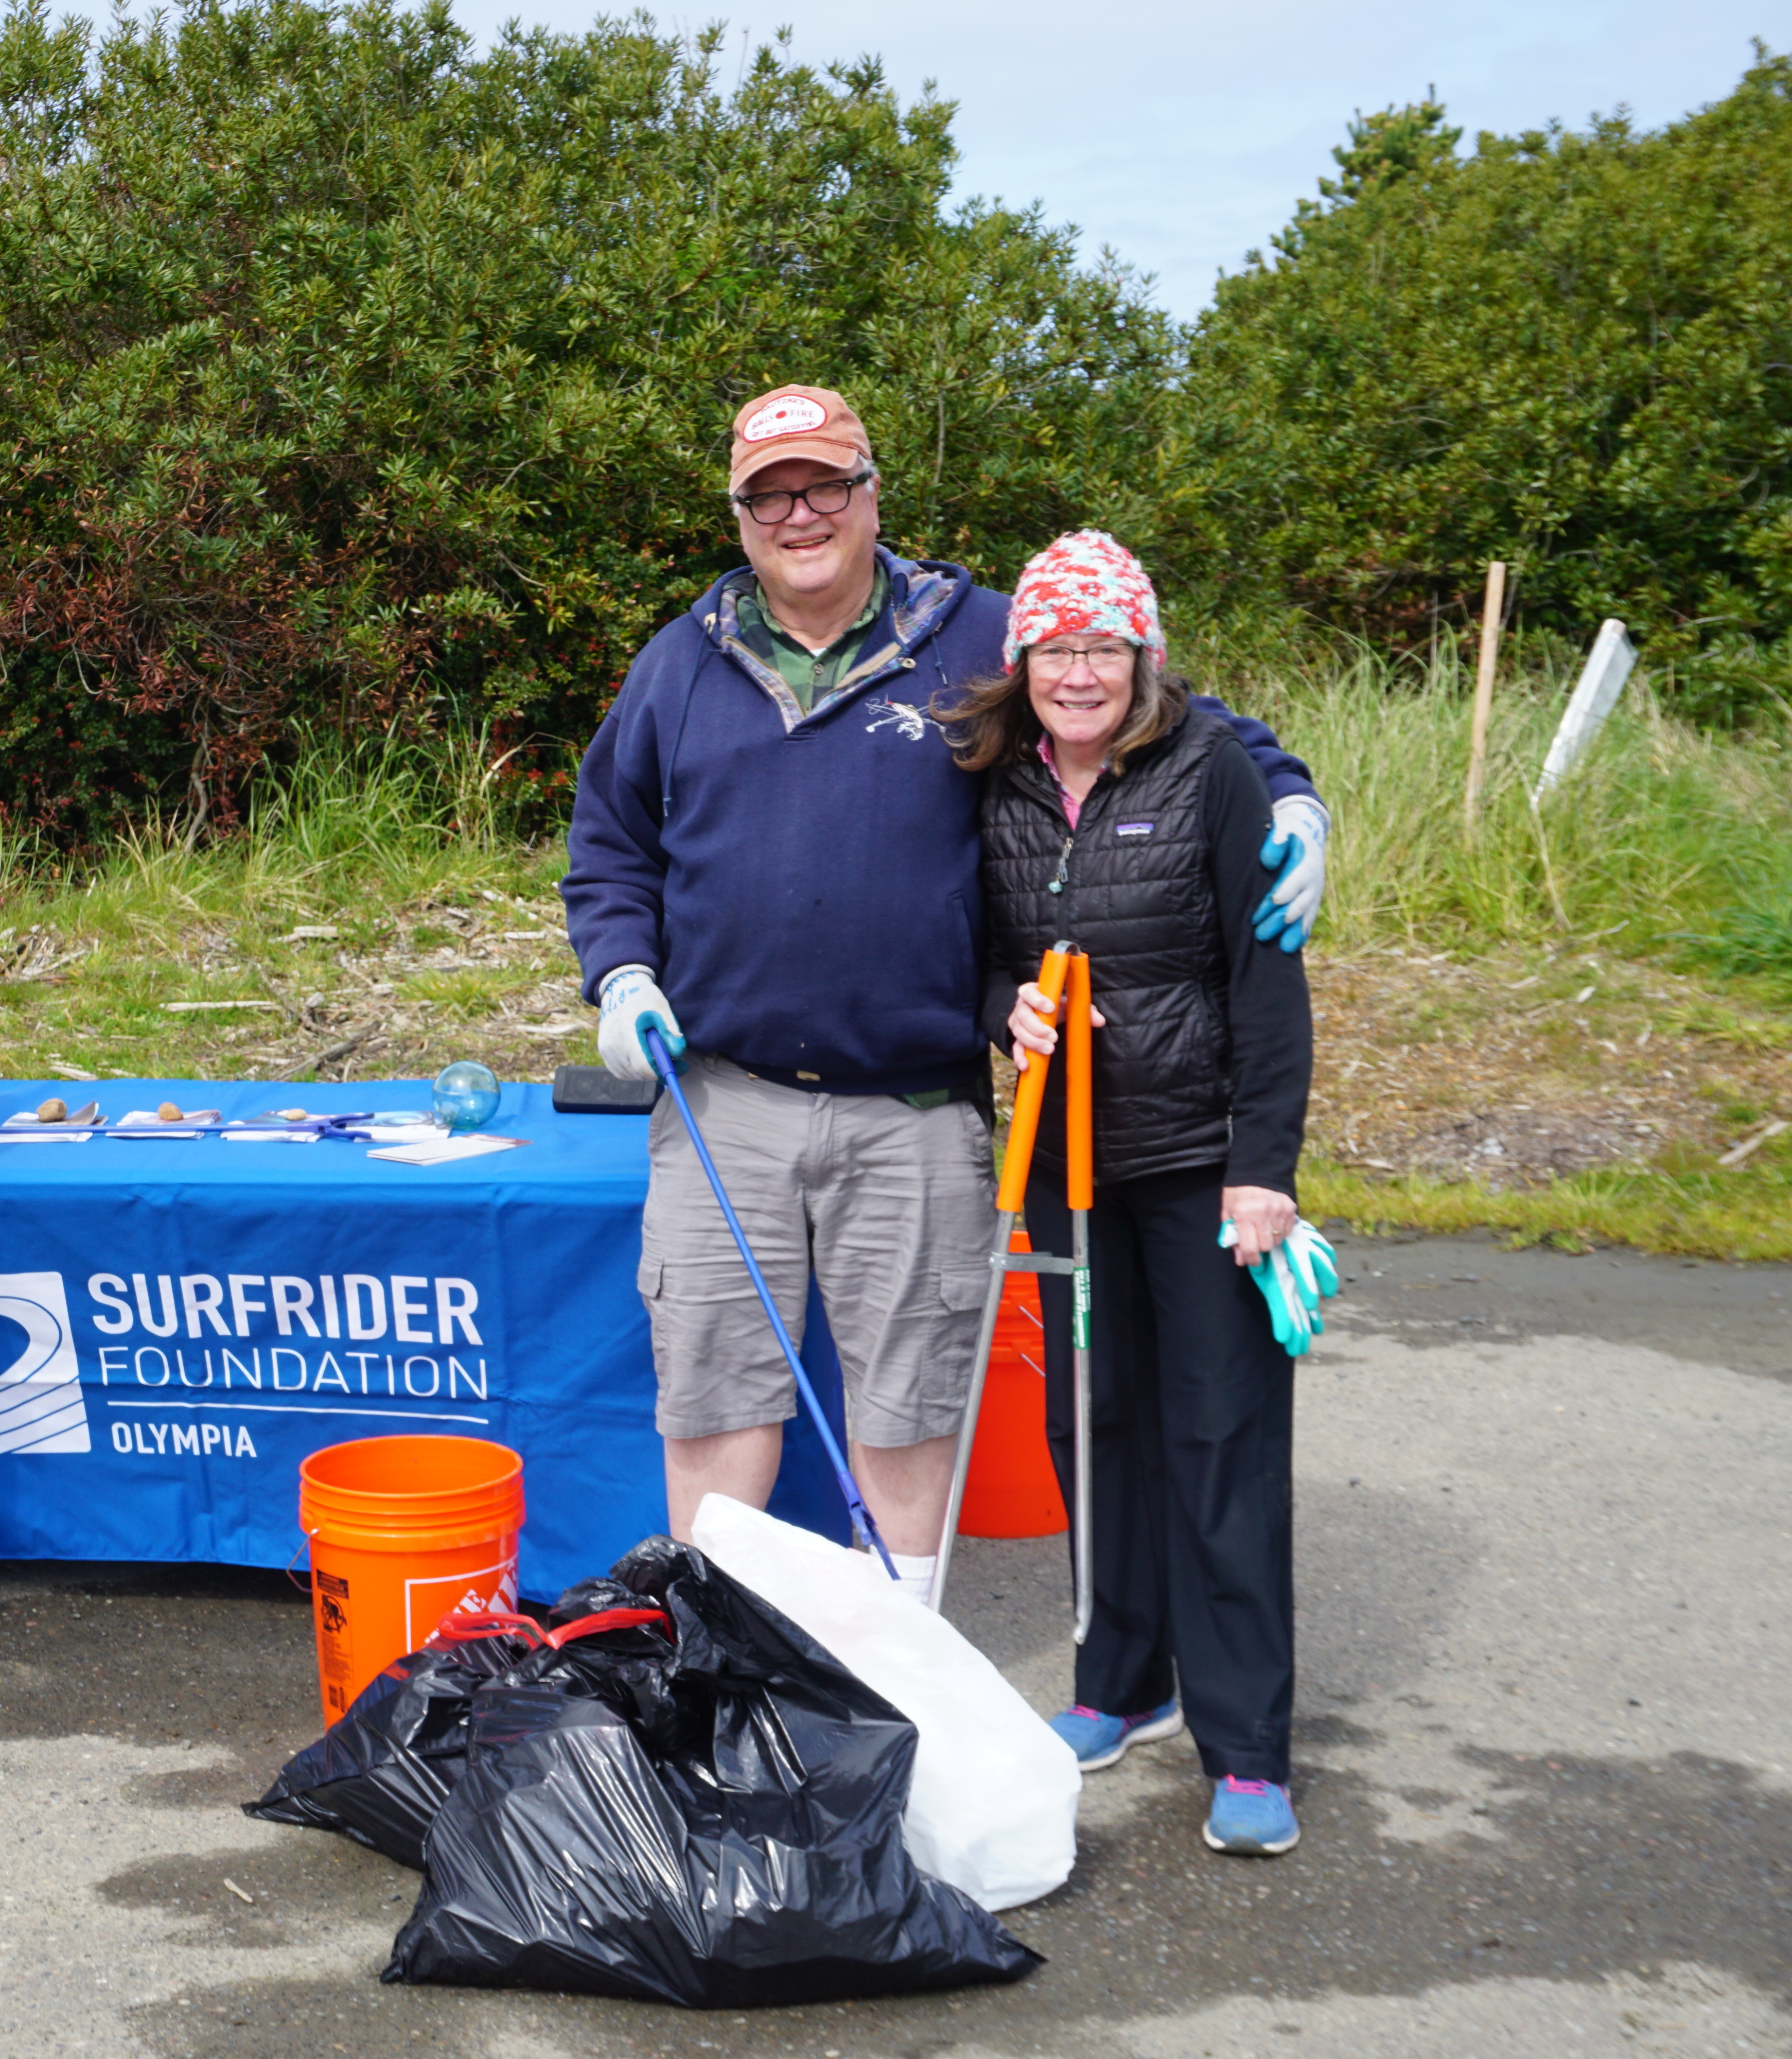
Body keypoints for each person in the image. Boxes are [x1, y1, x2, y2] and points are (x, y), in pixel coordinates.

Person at [561, 385, 1328, 1598]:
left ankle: (900, 1655)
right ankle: (715, 1655)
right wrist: (623, 971)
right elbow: (609, 845)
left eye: (825, 485)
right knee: (715, 1389)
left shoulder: (974, 635)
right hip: (723, 1097)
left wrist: (1293, 798)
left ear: (872, 494)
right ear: (740, 514)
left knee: (908, 1397)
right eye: (769, 494)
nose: (798, 513)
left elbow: (1172, 716)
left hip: (917, 1106)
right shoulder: (679, 663)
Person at [942, 530, 1314, 1858]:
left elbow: (1269, 983)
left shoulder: (1210, 771)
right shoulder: (994, 785)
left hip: (1201, 1174)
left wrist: (1263, 1169)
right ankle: (1119, 1685)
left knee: (1218, 1443)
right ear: (1023, 660)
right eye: (1057, 646)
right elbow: (977, 966)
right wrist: (1009, 1011)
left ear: (1140, 656)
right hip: (1068, 1174)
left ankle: (1248, 1748)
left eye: (1103, 645)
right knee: (1092, 1434)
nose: (1080, 670)